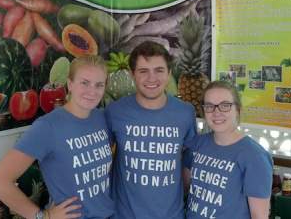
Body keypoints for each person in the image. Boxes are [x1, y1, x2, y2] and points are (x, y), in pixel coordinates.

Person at [0, 55, 114, 219]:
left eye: (99, 85)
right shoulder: (47, 126)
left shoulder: (101, 118)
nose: (92, 91)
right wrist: (42, 216)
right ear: (70, 84)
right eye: (84, 82)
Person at [105, 41, 197, 219]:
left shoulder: (185, 112)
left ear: (169, 73)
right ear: (132, 74)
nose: (151, 78)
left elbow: (188, 161)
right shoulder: (115, 111)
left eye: (159, 70)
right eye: (143, 71)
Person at [183, 80, 272, 219]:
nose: (216, 112)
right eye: (209, 106)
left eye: (225, 105)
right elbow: (186, 186)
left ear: (238, 110)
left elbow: (259, 216)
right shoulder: (197, 144)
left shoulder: (255, 157)